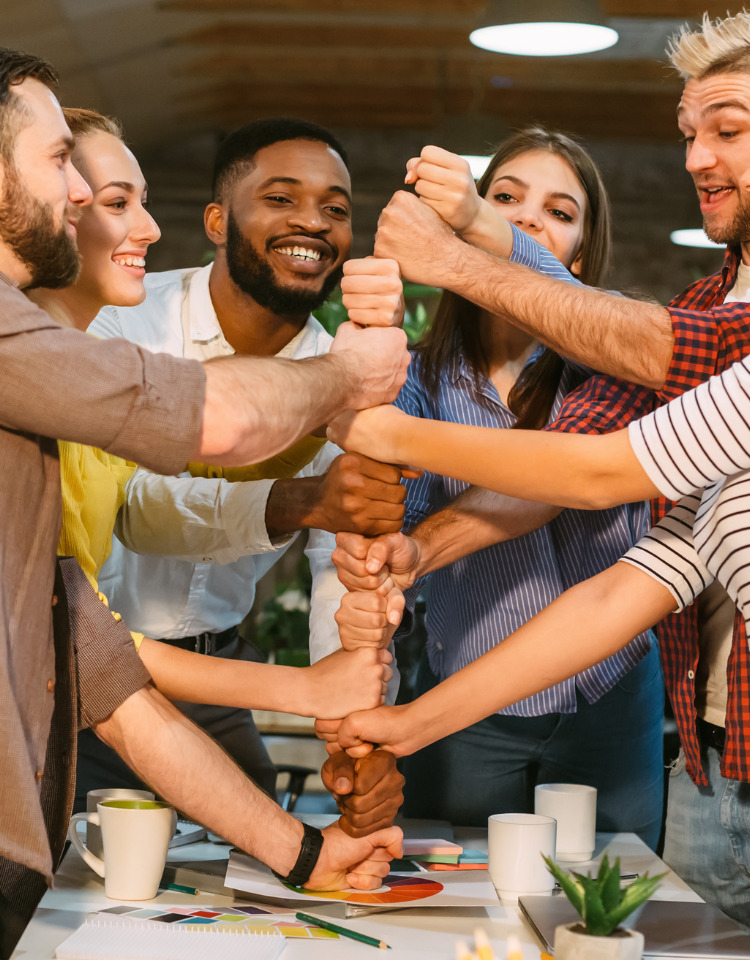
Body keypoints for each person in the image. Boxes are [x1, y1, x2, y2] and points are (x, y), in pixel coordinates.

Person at [326, 8, 750, 926]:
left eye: (728, 130)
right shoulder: (705, 308)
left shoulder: (666, 344)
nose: (696, 160)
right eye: (689, 134)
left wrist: (463, 244)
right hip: (692, 748)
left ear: (584, 247)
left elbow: (592, 473)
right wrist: (405, 682)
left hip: (615, 703)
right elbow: (628, 573)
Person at [0, 50, 405, 957]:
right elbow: (211, 419)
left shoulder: (58, 390)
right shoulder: (75, 340)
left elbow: (99, 656)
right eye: (68, 169)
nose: (143, 224)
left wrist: (308, 846)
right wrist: (347, 378)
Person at [325, 352, 750, 925]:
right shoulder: (729, 403)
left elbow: (594, 473)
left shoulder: (665, 357)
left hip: (622, 702)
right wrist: (412, 723)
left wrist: (397, 436)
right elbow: (614, 599)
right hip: (719, 777)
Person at [27, 106, 392, 738]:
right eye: (280, 198)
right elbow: (148, 497)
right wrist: (306, 492)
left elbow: (339, 565)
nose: (313, 221)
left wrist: (350, 725)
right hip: (87, 673)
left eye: (335, 208)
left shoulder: (339, 362)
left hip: (204, 665)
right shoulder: (108, 321)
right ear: (218, 222)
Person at [340, 130, 663, 840]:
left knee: (614, 884)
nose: (526, 220)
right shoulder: (422, 376)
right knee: (460, 887)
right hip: (467, 699)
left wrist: (480, 225)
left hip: (610, 693)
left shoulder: (613, 357)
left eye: (558, 212)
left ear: (578, 256)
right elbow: (390, 515)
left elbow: (564, 477)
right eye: (506, 199)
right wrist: (372, 334)